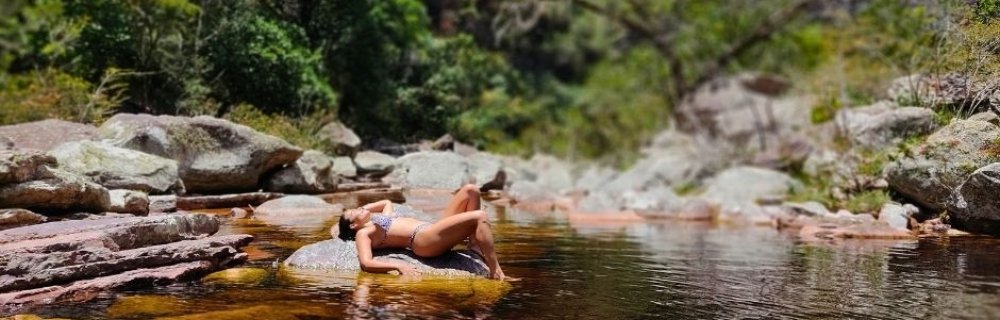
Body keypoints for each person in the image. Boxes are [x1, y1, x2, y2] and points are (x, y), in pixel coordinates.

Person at [336, 184, 507, 280]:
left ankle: (474, 245)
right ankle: (495, 271)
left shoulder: (377, 219)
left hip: (432, 228)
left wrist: (362, 210)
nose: (358, 208)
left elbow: (386, 202)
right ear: (353, 226)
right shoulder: (363, 234)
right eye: (353, 212)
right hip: (423, 241)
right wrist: (398, 265)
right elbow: (366, 263)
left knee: (471, 190)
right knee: (480, 217)